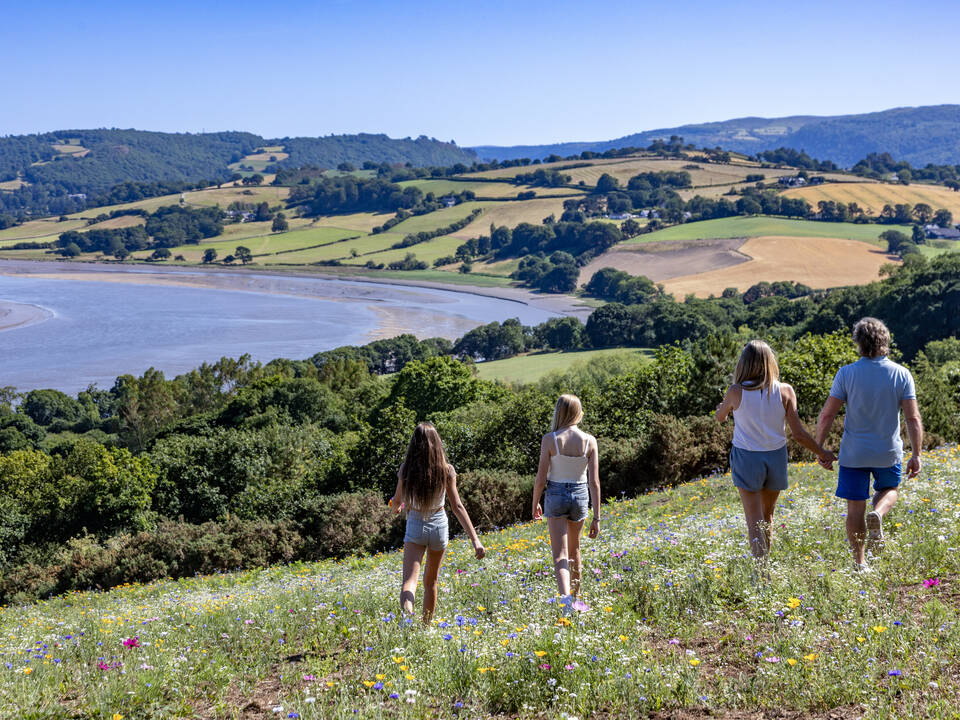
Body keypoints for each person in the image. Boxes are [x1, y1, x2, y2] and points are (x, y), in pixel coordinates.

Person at [815, 317, 923, 571]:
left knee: (855, 508)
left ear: (859, 343)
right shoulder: (901, 374)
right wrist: (916, 453)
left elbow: (827, 415)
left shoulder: (846, 373)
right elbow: (912, 417)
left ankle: (860, 563)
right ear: (885, 340)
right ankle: (879, 514)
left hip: (854, 453)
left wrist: (820, 448)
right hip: (887, 451)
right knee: (890, 489)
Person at [716, 340, 836, 560]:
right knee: (767, 516)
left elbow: (720, 417)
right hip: (776, 457)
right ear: (770, 362)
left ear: (744, 364)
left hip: (747, 457)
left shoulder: (735, 391)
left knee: (753, 518)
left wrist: (722, 409)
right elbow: (798, 434)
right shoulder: (785, 390)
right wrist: (821, 452)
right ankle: (766, 564)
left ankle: (761, 573)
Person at [389, 422, 485, 624]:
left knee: (409, 583)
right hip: (439, 525)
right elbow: (457, 506)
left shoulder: (406, 470)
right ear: (437, 444)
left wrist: (396, 507)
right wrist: (475, 540)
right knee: (431, 582)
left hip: (416, 523)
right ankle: (425, 628)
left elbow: (397, 501)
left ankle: (407, 618)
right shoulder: (446, 470)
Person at [531, 394, 601, 610]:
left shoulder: (550, 439)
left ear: (559, 412)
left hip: (556, 493)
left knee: (559, 554)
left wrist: (534, 502)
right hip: (580, 495)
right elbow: (594, 482)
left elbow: (541, 478)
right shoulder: (590, 440)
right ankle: (577, 600)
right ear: (578, 413)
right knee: (575, 551)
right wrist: (597, 517)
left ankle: (565, 601)